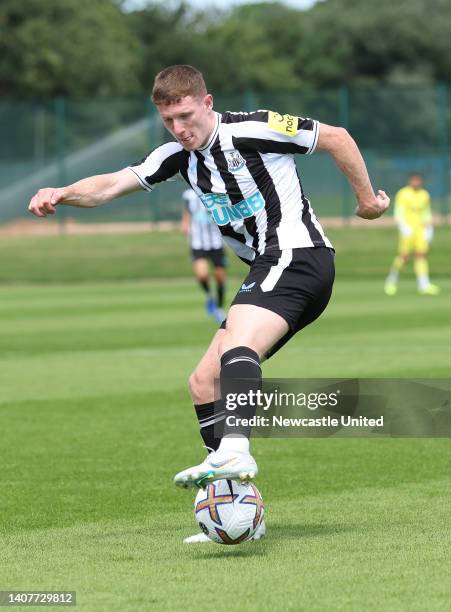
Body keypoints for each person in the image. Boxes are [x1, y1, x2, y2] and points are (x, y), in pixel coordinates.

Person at [28, 64, 390, 543]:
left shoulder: (254, 128)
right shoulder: (176, 156)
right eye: (168, 120)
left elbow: (338, 137)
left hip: (298, 256)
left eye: (185, 115)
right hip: (268, 267)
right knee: (204, 380)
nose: (180, 129)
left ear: (207, 102)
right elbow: (113, 184)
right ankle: (234, 510)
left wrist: (367, 202)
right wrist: (62, 193)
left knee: (239, 347)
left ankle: (236, 450)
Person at [384, 173, 439, 296]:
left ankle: (423, 284)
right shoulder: (403, 194)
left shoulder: (424, 194)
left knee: (421, 255)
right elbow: (399, 211)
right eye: (414, 180)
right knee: (404, 256)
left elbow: (426, 212)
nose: (416, 183)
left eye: (418, 180)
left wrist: (429, 228)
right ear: (410, 181)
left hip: (420, 229)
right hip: (408, 229)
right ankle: (391, 280)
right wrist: (402, 225)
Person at [181, 187, 227, 323]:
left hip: (216, 242)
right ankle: (209, 296)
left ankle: (219, 307)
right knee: (202, 274)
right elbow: (186, 213)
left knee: (219, 278)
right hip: (197, 242)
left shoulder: (217, 190)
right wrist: (185, 223)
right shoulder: (188, 195)